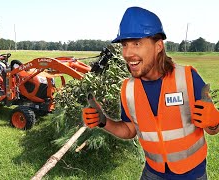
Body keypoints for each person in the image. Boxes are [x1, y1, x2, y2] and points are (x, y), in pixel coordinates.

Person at [82, 6, 219, 179]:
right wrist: (104, 121)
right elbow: (130, 129)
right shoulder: (128, 89)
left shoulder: (188, 78)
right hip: (152, 173)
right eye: (125, 45)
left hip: (192, 175)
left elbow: (212, 128)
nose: (127, 53)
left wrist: (214, 121)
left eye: (136, 43)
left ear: (158, 46)